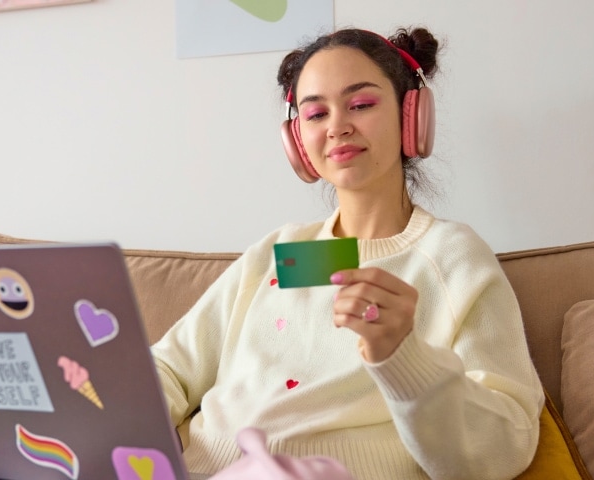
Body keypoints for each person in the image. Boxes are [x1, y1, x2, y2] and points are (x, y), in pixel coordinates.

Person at [149, 26, 544, 480]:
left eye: (360, 105)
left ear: (410, 116)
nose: (337, 126)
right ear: (298, 140)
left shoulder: (452, 257)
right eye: (315, 114)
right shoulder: (280, 250)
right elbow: (168, 368)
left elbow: (505, 446)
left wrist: (402, 356)